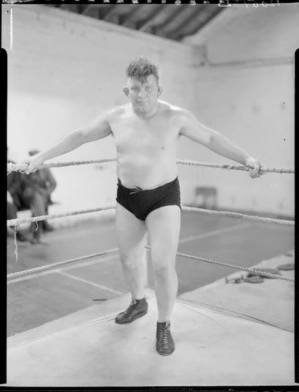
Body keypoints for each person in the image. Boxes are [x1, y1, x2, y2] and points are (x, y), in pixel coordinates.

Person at [22, 57, 262, 355]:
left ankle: (164, 325)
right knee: (129, 259)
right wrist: (39, 158)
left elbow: (211, 137)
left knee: (162, 265)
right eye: (135, 88)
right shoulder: (115, 118)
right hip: (127, 198)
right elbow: (79, 136)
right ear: (127, 90)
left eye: (148, 88)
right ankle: (138, 301)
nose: (141, 95)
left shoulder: (176, 117)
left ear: (159, 89)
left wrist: (247, 159)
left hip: (163, 197)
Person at [21, 149, 57, 244]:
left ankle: (36, 234)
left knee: (38, 204)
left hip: (40, 196)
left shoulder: (45, 168)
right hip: (28, 195)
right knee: (38, 200)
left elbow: (53, 183)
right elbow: (24, 184)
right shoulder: (27, 167)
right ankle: (41, 228)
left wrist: (46, 193)